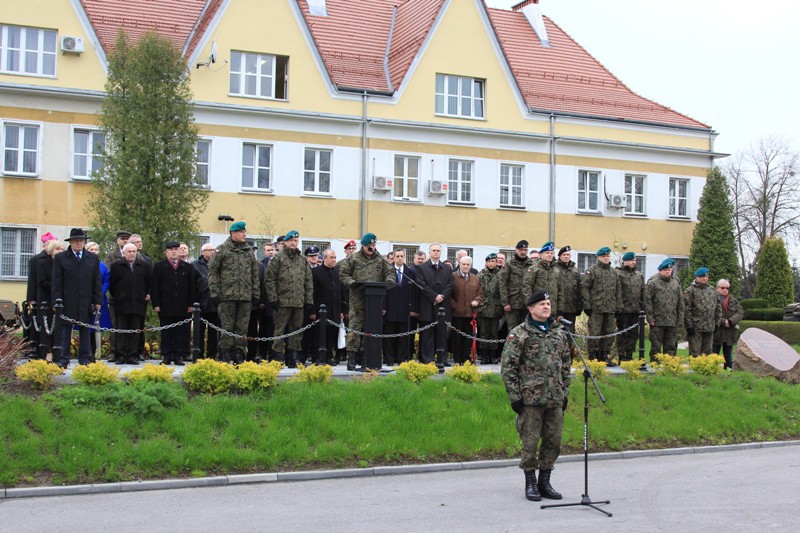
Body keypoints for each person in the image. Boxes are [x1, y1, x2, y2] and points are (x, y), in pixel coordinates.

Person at [501, 289, 572, 502]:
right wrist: (515, 397)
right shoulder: (520, 333)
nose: (546, 307)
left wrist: (564, 391)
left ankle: (545, 481)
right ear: (531, 308)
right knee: (529, 443)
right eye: (541, 304)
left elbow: (566, 365)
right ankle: (530, 482)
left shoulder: (559, 332)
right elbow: (508, 367)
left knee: (554, 441)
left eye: (548, 303)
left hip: (554, 398)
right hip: (530, 399)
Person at [339, 232, 396, 370]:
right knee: (355, 329)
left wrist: (389, 280)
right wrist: (352, 282)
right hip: (357, 300)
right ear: (363, 246)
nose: (372, 247)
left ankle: (367, 357)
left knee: (371, 330)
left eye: (374, 245)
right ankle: (351, 358)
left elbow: (390, 272)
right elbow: (343, 274)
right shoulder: (353, 258)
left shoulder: (380, 259)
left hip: (374, 302)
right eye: (369, 245)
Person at [208, 221, 260, 364]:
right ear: (233, 233)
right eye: (242, 232)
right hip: (227, 296)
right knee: (227, 327)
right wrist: (215, 293)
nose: (245, 234)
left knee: (242, 328)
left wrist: (256, 294)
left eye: (245, 231)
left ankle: (239, 354)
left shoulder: (248, 251)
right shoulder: (222, 250)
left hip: (245, 296)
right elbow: (213, 272)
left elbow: (254, 274)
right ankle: (224, 354)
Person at [51, 228, 102, 368]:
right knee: (65, 331)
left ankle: (85, 357)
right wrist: (56, 301)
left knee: (85, 329)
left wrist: (98, 300)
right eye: (76, 241)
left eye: (82, 240)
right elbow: (56, 282)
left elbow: (97, 281)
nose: (79, 243)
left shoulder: (92, 258)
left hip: (86, 301)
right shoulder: (61, 258)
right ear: (71, 242)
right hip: (67, 301)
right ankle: (63, 358)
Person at [264, 230, 313, 368]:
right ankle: (278, 357)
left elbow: (308, 281)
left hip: (298, 302)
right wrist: (273, 299)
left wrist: (308, 300)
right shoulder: (278, 258)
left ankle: (293, 357)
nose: (293, 243)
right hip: (282, 302)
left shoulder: (302, 260)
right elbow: (269, 280)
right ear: (285, 242)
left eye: (296, 240)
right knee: (279, 330)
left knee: (296, 330)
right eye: (291, 240)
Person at [151, 241, 196, 365]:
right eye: (171, 249)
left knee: (181, 332)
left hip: (182, 306)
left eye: (176, 249)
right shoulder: (159, 266)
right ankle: (166, 355)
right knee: (166, 331)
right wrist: (156, 304)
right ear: (166, 252)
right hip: (165, 305)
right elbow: (155, 287)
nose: (174, 251)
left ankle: (178, 355)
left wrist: (191, 304)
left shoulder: (187, 267)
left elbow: (192, 287)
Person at [109, 243, 151, 365]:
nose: (132, 253)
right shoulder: (116, 266)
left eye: (134, 251)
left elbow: (148, 283)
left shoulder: (144, 266)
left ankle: (132, 356)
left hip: (138, 304)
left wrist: (144, 295)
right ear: (124, 253)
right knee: (121, 331)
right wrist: (119, 296)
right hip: (122, 304)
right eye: (129, 251)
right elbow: (113, 285)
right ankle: (120, 356)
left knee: (135, 331)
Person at [581, 246, 622, 364]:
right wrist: (587, 305)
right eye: (603, 256)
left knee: (609, 333)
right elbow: (584, 288)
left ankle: (605, 356)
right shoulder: (592, 270)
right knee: (595, 333)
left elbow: (618, 290)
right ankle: (593, 357)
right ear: (598, 257)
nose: (606, 258)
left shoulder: (614, 272)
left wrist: (619, 306)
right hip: (596, 308)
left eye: (608, 256)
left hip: (610, 309)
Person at [415, 243, 454, 369]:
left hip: (442, 306)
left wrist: (441, 296)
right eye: (434, 250)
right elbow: (421, 285)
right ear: (429, 252)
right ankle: (427, 359)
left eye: (438, 250)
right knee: (427, 334)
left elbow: (450, 284)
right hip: (427, 305)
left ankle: (441, 359)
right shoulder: (422, 268)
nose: (436, 252)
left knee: (442, 334)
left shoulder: (447, 268)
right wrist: (434, 296)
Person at [310, 249, 346, 365]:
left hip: (334, 309)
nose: (334, 260)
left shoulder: (337, 272)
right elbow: (313, 292)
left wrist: (342, 310)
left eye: (335, 257)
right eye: (331, 257)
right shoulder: (316, 272)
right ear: (324, 258)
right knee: (319, 335)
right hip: (320, 310)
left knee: (331, 334)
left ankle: (329, 356)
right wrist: (312, 311)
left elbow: (341, 293)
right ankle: (317, 357)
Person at [383, 249, 418, 366]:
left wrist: (413, 308)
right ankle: (389, 358)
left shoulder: (410, 272)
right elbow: (383, 291)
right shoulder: (387, 271)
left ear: (404, 257)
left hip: (404, 309)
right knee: (389, 335)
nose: (399, 258)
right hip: (390, 308)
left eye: (401, 256)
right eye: (397, 256)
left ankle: (401, 358)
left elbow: (414, 292)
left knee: (403, 335)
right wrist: (383, 307)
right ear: (393, 257)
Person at [644, 258, 685, 357]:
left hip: (672, 320)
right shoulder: (653, 283)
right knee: (656, 346)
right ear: (660, 271)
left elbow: (680, 302)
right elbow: (647, 301)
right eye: (666, 270)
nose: (668, 272)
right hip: (657, 320)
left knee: (671, 346)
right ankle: (655, 366)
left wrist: (680, 319)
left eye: (669, 270)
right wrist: (650, 318)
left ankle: (668, 366)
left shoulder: (675, 283)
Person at [26, 232, 56, 357]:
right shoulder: (36, 259)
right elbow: (32, 280)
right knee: (39, 322)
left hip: (53, 296)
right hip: (41, 294)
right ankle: (36, 348)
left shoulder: (56, 259)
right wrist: (31, 298)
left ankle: (51, 349)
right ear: (44, 245)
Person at [34, 238, 65, 361]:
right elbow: (41, 281)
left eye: (62, 249)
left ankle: (58, 352)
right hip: (46, 298)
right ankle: (46, 353)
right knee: (47, 327)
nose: (60, 251)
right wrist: (56, 286)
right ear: (52, 250)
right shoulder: (43, 263)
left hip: (60, 299)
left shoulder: (64, 263)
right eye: (58, 249)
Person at [450, 256, 483, 365]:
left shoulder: (475, 278)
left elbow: (480, 293)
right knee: (457, 338)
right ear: (459, 264)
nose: (465, 266)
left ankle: (466, 358)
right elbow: (448, 294)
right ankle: (457, 359)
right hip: (457, 314)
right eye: (463, 264)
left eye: (468, 264)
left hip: (470, 314)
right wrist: (454, 306)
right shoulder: (453, 276)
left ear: (470, 266)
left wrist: (477, 301)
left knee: (468, 338)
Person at [684, 267, 722, 356]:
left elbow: (718, 307)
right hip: (696, 326)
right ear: (697, 277)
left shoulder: (712, 290)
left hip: (709, 326)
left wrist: (717, 322)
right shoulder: (690, 290)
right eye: (702, 277)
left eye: (706, 276)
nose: (705, 278)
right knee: (695, 352)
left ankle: (705, 369)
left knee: (707, 352)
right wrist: (689, 325)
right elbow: (687, 309)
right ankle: (695, 368)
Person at [615, 251, 645, 363]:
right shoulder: (618, 273)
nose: (633, 262)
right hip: (623, 310)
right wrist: (618, 308)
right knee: (623, 334)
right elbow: (616, 292)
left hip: (635, 310)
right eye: (631, 260)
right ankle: (622, 356)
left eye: (634, 260)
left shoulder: (638, 275)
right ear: (625, 261)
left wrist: (643, 308)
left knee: (633, 335)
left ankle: (630, 355)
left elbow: (642, 292)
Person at [192, 243, 220, 360]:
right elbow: (192, 285)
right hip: (200, 304)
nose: (212, 252)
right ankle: (198, 355)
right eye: (209, 250)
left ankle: (211, 356)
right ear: (203, 252)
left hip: (215, 304)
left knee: (214, 333)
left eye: (214, 250)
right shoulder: (194, 265)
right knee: (199, 332)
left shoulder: (218, 264)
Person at [86, 241, 112, 358]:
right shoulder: (83, 265)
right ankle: (87, 352)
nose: (94, 252)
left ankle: (95, 351)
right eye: (91, 249)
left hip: (100, 300)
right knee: (86, 327)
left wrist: (99, 294)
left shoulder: (102, 266)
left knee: (97, 327)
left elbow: (107, 281)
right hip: (86, 299)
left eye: (96, 250)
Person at [500, 240, 533, 331]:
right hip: (512, 303)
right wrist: (505, 303)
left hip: (527, 303)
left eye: (525, 250)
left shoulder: (532, 264)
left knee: (527, 329)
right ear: (516, 250)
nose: (523, 252)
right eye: (521, 249)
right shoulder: (509, 264)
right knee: (513, 329)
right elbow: (503, 284)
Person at [522, 242, 561, 316]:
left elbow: (560, 289)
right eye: (547, 253)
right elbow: (527, 287)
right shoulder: (534, 268)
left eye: (551, 253)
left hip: (553, 308)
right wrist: (530, 304)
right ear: (540, 255)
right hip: (538, 307)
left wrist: (561, 307)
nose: (550, 255)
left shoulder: (556, 269)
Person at [477, 253, 503, 364]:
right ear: (486, 262)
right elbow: (477, 291)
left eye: (493, 261)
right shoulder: (481, 274)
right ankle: (483, 356)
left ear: (496, 262)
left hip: (496, 308)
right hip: (483, 308)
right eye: (489, 261)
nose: (491, 263)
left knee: (494, 334)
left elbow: (503, 291)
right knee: (483, 333)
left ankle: (492, 356)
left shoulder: (501, 274)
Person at [712, 279, 743, 370]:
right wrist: (723, 321)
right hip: (716, 332)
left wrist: (730, 321)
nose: (725, 290)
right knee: (714, 357)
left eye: (727, 288)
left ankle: (728, 375)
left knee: (728, 358)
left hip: (730, 333)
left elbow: (740, 313)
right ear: (717, 288)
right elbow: (710, 313)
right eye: (722, 287)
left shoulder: (733, 300)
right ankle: (712, 375)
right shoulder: (712, 299)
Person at [554, 245, 582, 333]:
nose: (566, 257)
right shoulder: (554, 268)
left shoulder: (575, 270)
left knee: (570, 331)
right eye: (564, 255)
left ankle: (570, 346)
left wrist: (579, 306)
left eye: (568, 255)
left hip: (571, 307)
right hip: (558, 307)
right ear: (559, 256)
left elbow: (579, 288)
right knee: (557, 331)